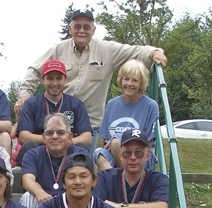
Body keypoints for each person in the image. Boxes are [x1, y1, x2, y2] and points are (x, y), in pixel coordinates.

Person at [15, 9, 167, 152]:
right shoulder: (58, 49)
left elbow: (134, 51)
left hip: (88, 127)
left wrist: (154, 52)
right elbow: (35, 70)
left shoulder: (107, 50)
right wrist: (24, 96)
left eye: (86, 27)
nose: (82, 30)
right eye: (77, 26)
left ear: (93, 30)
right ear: (70, 29)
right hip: (57, 126)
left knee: (80, 171)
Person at [16, 59, 92, 165]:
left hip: (67, 151)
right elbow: (24, 136)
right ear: (43, 79)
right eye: (50, 78)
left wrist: (63, 141)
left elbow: (87, 138)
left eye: (59, 78)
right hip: (41, 150)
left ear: (65, 79)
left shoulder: (76, 104)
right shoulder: (31, 104)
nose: (54, 83)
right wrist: (51, 140)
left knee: (82, 148)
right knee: (28, 146)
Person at [94, 60, 159, 171]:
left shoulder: (151, 106)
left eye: (134, 80)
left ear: (141, 83)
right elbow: (105, 140)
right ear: (121, 80)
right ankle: (119, 182)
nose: (129, 84)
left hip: (140, 155)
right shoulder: (112, 104)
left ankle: (123, 181)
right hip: (115, 154)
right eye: (126, 79)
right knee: (98, 153)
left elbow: (149, 142)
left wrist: (124, 147)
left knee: (116, 142)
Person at [19, 113, 90, 208]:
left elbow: (84, 182)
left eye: (60, 132)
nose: (55, 136)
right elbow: (27, 180)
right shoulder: (32, 154)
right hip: (43, 201)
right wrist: (39, 192)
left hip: (70, 200)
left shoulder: (80, 154)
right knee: (28, 196)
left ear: (70, 137)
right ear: (44, 137)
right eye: (49, 133)